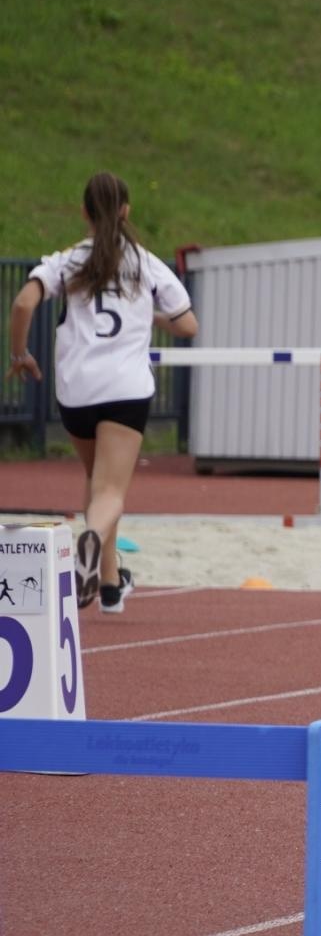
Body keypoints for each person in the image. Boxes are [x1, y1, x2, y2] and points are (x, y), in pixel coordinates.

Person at [7, 172, 198, 612]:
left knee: (98, 479)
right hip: (125, 388)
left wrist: (20, 354)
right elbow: (188, 324)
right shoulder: (145, 263)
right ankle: (90, 538)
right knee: (110, 491)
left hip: (76, 390)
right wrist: (153, 317)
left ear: (84, 213)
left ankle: (110, 585)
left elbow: (22, 303)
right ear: (126, 211)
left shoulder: (67, 261)